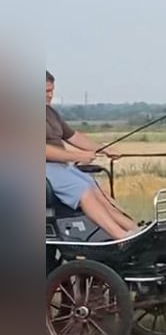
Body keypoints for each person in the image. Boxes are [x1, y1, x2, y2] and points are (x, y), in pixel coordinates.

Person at [45, 70, 140, 239]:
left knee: (99, 192)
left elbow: (73, 136)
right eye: (45, 92)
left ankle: (134, 230)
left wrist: (102, 149)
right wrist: (78, 156)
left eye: (51, 91)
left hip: (60, 166)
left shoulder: (50, 113)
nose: (50, 96)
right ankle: (120, 237)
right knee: (83, 191)